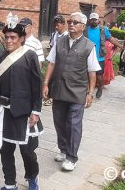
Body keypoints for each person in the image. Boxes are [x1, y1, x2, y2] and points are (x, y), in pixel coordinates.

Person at [0, 13, 43, 190]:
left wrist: (36, 111)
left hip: (24, 112)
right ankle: (10, 184)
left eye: (13, 37)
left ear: (21, 39)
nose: (9, 40)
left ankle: (32, 177)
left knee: (27, 151)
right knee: (5, 150)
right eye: (7, 37)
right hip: (3, 112)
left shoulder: (30, 56)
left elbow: (36, 85)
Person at [43, 12, 100, 171]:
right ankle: (63, 149)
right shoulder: (59, 41)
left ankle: (71, 156)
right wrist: (46, 83)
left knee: (74, 124)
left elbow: (92, 72)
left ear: (83, 26)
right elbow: (52, 63)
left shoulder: (89, 46)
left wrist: (90, 93)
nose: (71, 24)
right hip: (59, 89)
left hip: (78, 92)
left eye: (75, 22)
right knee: (59, 121)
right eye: (69, 21)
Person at [85, 13, 122, 100]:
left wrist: (120, 45)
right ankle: (88, 91)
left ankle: (100, 87)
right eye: (92, 19)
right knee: (86, 75)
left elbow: (110, 38)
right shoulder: (85, 30)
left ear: (98, 20)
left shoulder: (103, 29)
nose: (94, 21)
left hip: (99, 57)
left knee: (99, 75)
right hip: (87, 56)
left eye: (95, 19)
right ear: (89, 20)